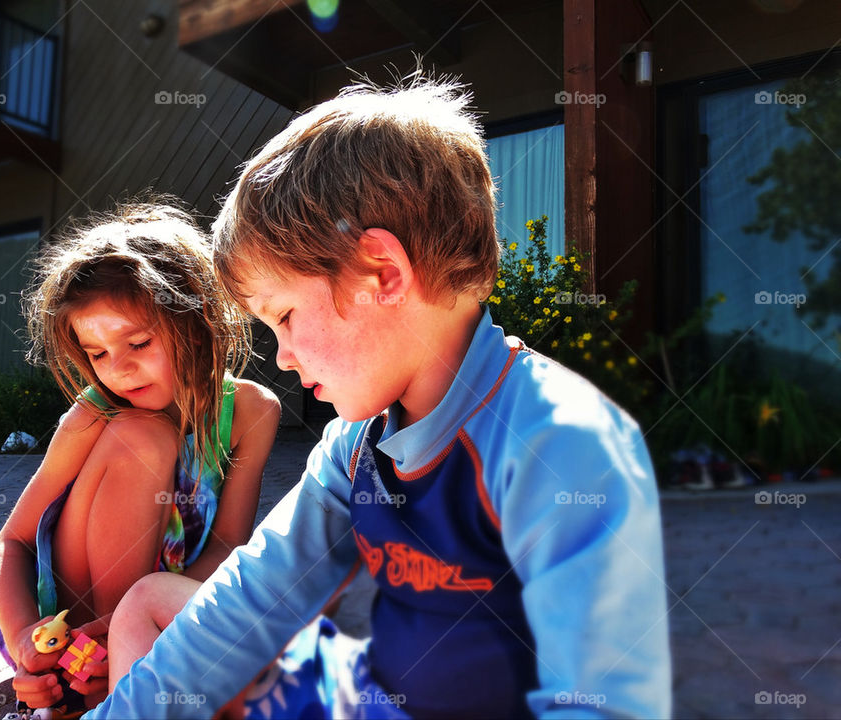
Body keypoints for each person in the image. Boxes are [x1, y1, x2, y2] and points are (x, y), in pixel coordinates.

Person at [86, 76, 671, 719]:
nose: (280, 356)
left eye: (282, 315)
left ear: (383, 275)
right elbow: (249, 601)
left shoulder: (559, 441)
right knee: (150, 606)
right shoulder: (354, 449)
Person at [0, 199, 281, 712]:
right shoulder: (94, 415)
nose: (116, 370)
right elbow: (11, 541)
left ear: (199, 318)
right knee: (144, 435)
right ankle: (87, 682)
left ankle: (119, 666)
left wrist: (143, 623)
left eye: (137, 343)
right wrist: (26, 637)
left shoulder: (251, 412)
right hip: (62, 617)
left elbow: (229, 541)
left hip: (159, 596)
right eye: (96, 354)